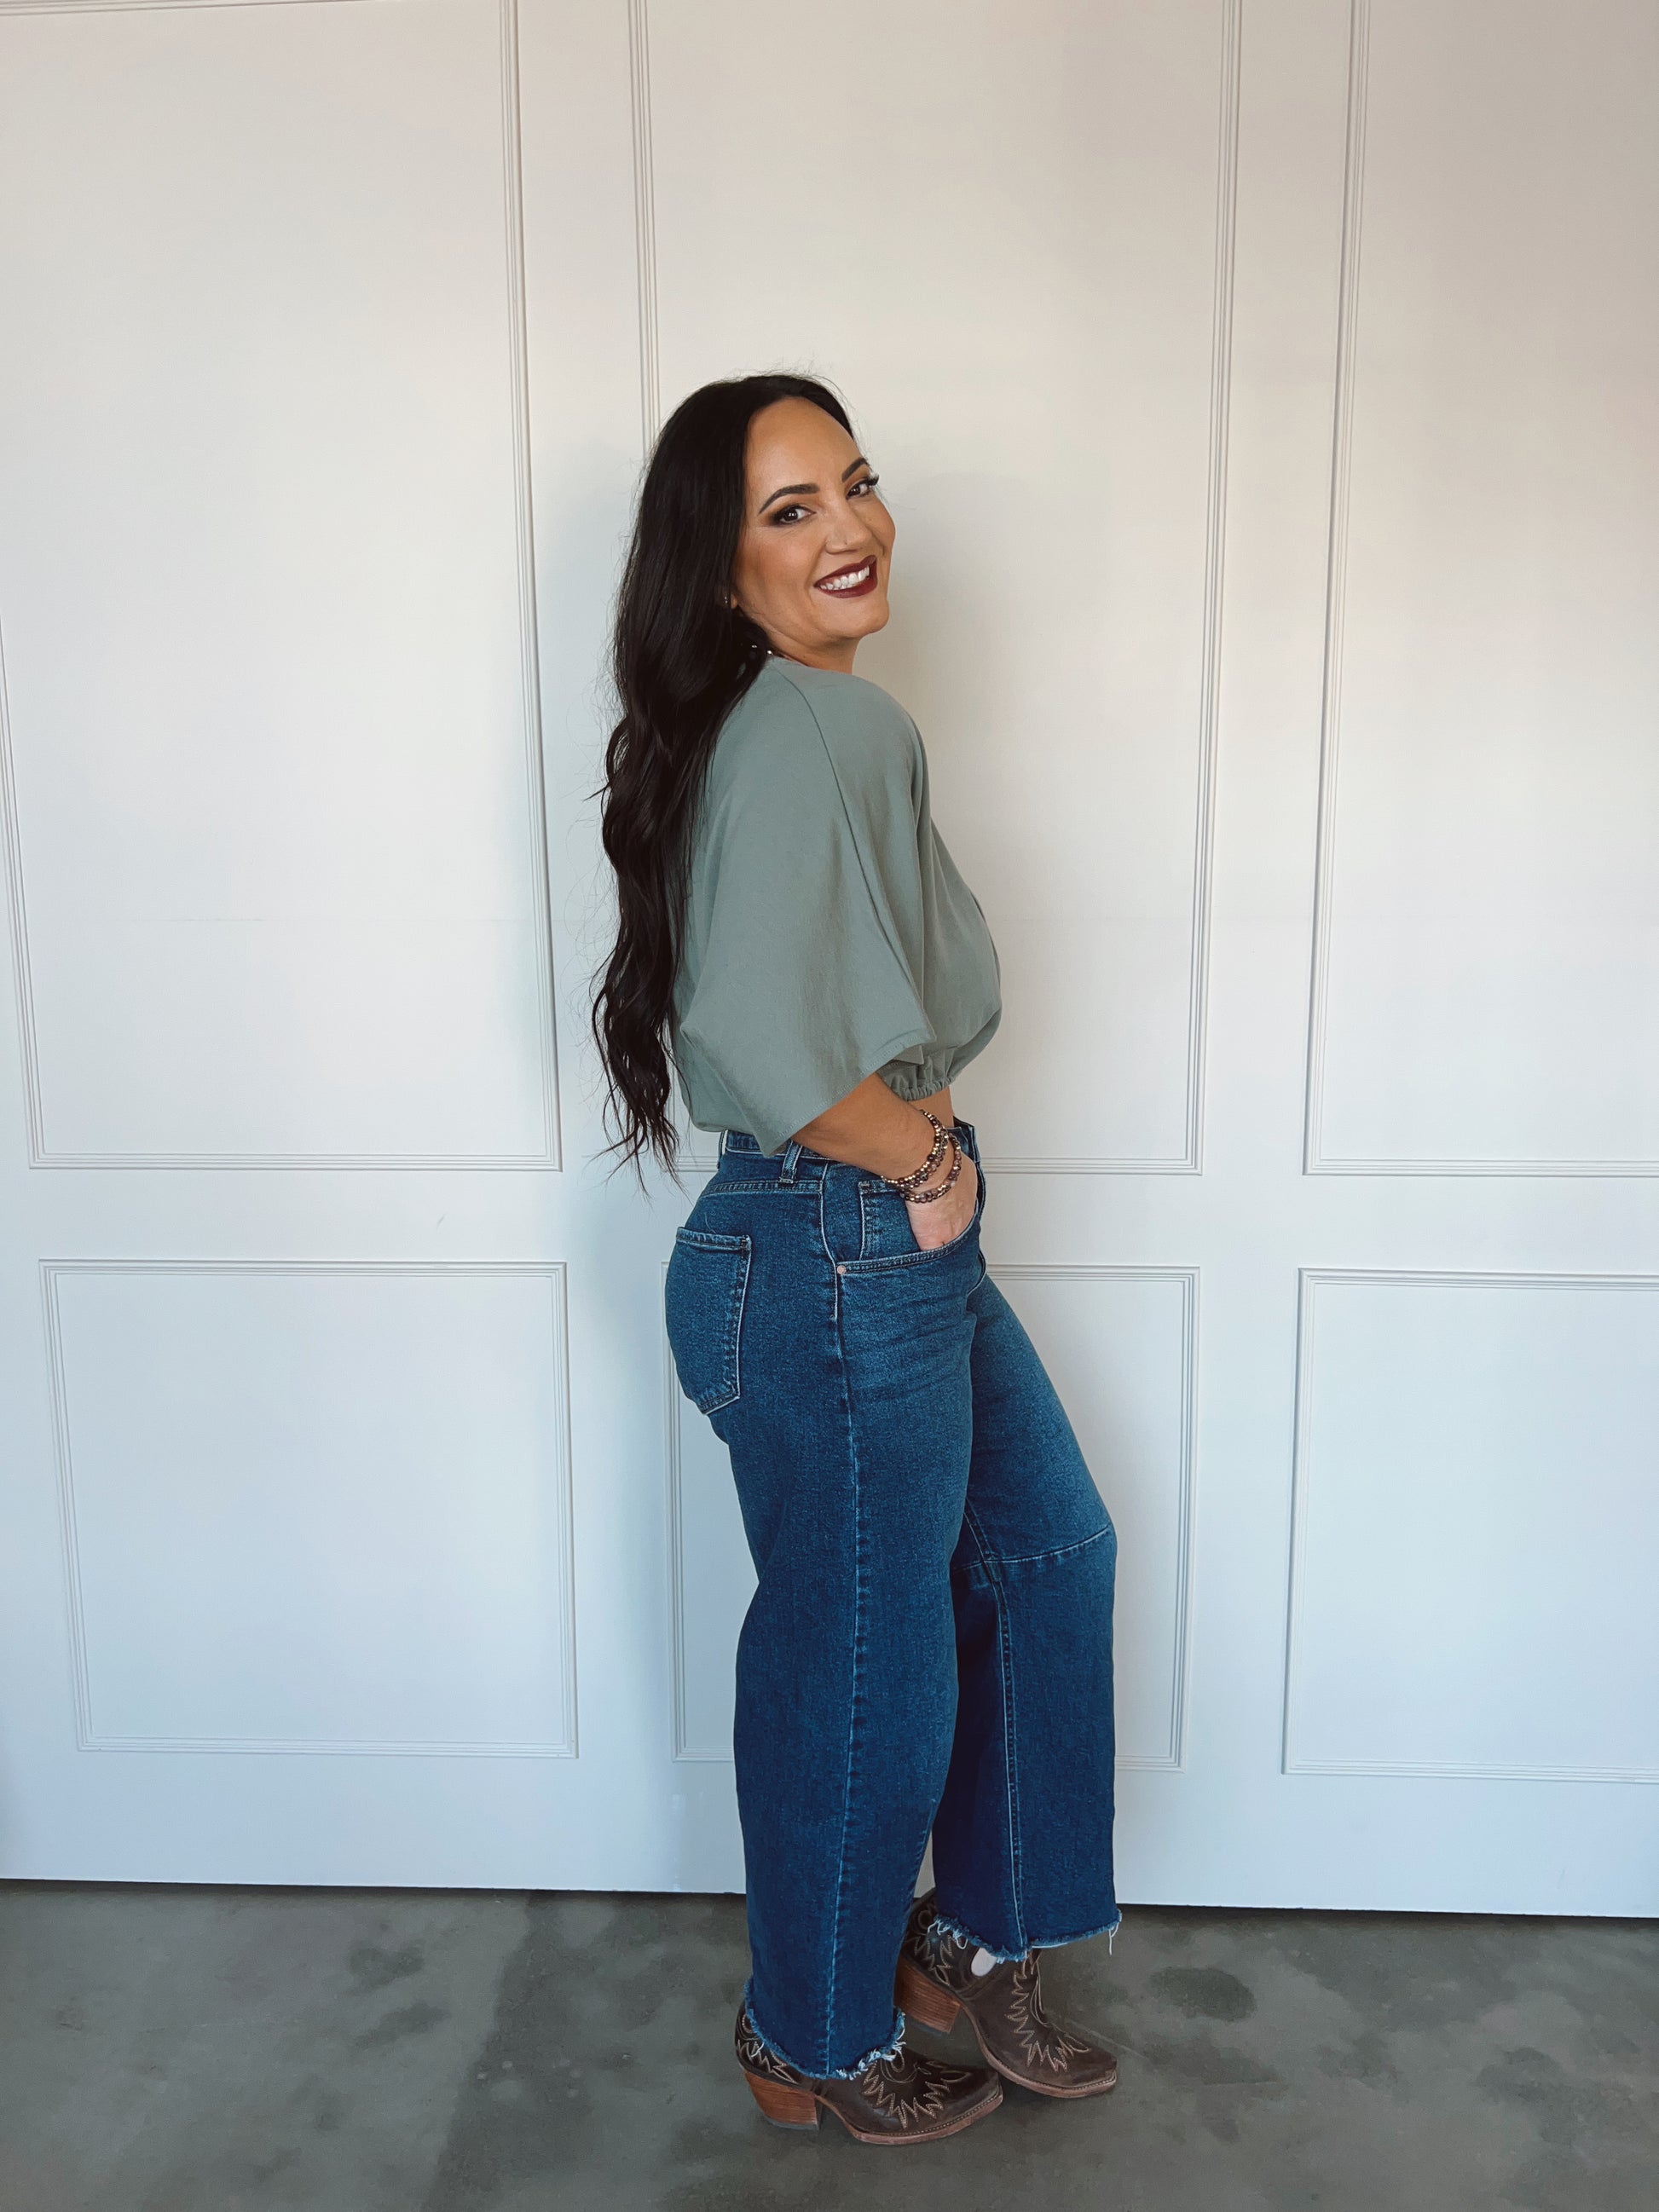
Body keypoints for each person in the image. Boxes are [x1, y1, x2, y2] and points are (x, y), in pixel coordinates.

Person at [591, 373, 1120, 2146]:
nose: (851, 529)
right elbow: (744, 1028)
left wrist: (922, 1162)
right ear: (717, 564)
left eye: (857, 486)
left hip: (841, 1251)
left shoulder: (804, 717)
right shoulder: (813, 728)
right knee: (866, 1654)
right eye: (791, 508)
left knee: (1043, 1554)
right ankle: (809, 2020)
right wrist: (917, 1150)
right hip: (832, 1245)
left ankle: (959, 1933)